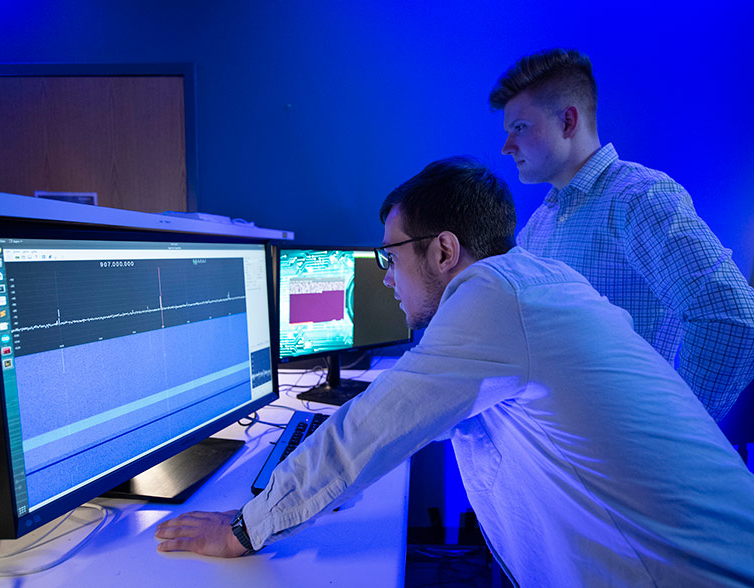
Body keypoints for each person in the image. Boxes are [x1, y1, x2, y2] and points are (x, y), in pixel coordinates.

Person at [156, 157, 754, 586]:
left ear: (443, 251)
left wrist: (243, 527)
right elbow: (417, 413)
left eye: (390, 257)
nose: (385, 277)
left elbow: (373, 430)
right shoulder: (537, 283)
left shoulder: (492, 295)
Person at [489, 48, 754, 422]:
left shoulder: (639, 198)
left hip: (627, 464)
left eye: (519, 128)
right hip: (565, 458)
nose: (506, 147)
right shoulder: (540, 223)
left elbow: (730, 316)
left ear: (568, 121)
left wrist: (681, 433)